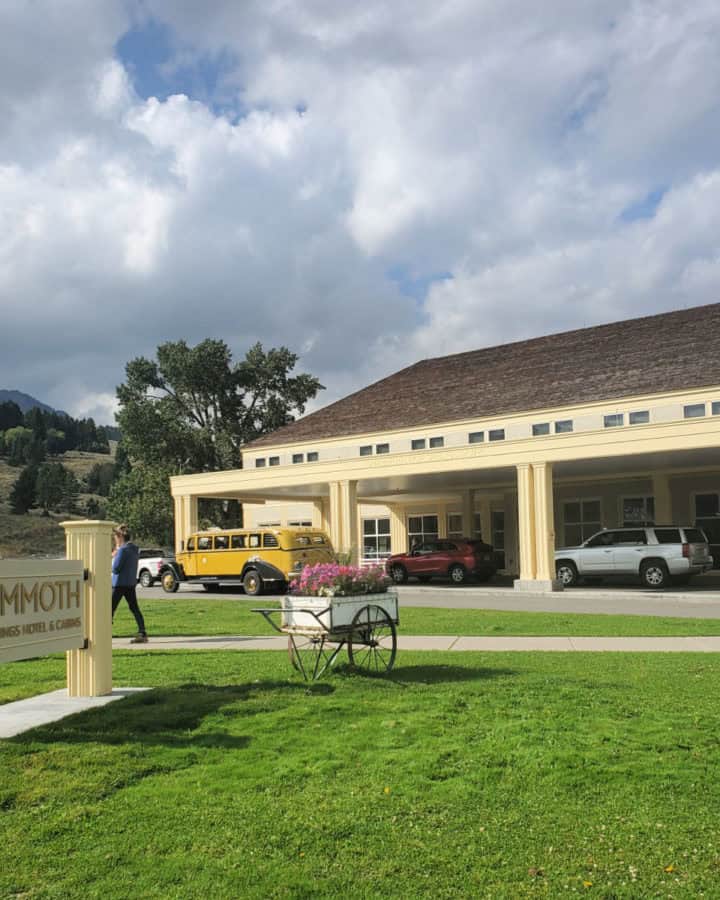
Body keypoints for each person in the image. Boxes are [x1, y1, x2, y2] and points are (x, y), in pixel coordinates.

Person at [111, 524, 148, 643]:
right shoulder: (134, 549)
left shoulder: (122, 550)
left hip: (119, 583)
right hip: (130, 583)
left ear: (119, 537)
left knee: (109, 608)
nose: (114, 540)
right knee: (134, 608)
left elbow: (116, 568)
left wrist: (115, 554)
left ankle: (104, 633)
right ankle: (142, 632)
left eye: (115, 538)